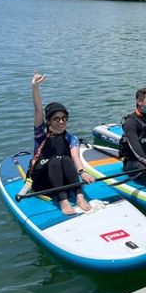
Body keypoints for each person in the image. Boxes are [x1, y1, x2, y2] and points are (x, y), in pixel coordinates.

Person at [29, 73, 93, 215]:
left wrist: (82, 172)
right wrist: (34, 87)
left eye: (64, 118)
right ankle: (62, 200)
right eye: (56, 119)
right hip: (43, 182)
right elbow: (38, 109)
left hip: (61, 180)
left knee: (65, 159)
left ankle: (79, 196)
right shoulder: (40, 135)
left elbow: (75, 157)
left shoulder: (71, 138)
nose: (61, 122)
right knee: (55, 160)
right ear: (49, 121)